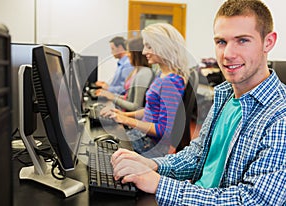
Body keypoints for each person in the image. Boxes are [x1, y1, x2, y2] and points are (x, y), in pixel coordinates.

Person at [111, 0, 286, 205]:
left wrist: (160, 184)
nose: (228, 54)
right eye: (221, 42)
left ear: (269, 42)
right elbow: (197, 156)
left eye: (242, 40)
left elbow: (254, 201)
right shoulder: (225, 97)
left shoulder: (280, 115)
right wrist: (151, 164)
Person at [107, 23, 191, 157]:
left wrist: (127, 121)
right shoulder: (162, 75)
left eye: (149, 46)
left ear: (164, 47)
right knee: (104, 141)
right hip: (143, 138)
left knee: (103, 151)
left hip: (150, 146)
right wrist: (124, 115)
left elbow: (164, 130)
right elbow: (151, 111)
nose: (144, 52)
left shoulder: (171, 82)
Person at [98, 37, 154, 111]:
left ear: (136, 54)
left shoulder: (144, 73)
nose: (127, 55)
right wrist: (111, 95)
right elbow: (128, 98)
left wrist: (113, 98)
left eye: (129, 52)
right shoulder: (137, 70)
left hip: (129, 116)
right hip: (125, 113)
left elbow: (136, 107)